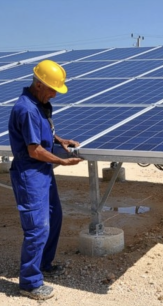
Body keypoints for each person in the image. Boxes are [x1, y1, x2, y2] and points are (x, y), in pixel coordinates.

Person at [8, 59, 83, 300]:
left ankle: (44, 265)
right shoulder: (27, 109)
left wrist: (59, 140)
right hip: (30, 173)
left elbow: (43, 134)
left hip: (42, 172)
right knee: (37, 227)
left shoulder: (38, 104)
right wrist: (62, 161)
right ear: (39, 84)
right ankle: (29, 283)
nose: (55, 94)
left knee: (54, 217)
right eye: (52, 89)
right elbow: (34, 150)